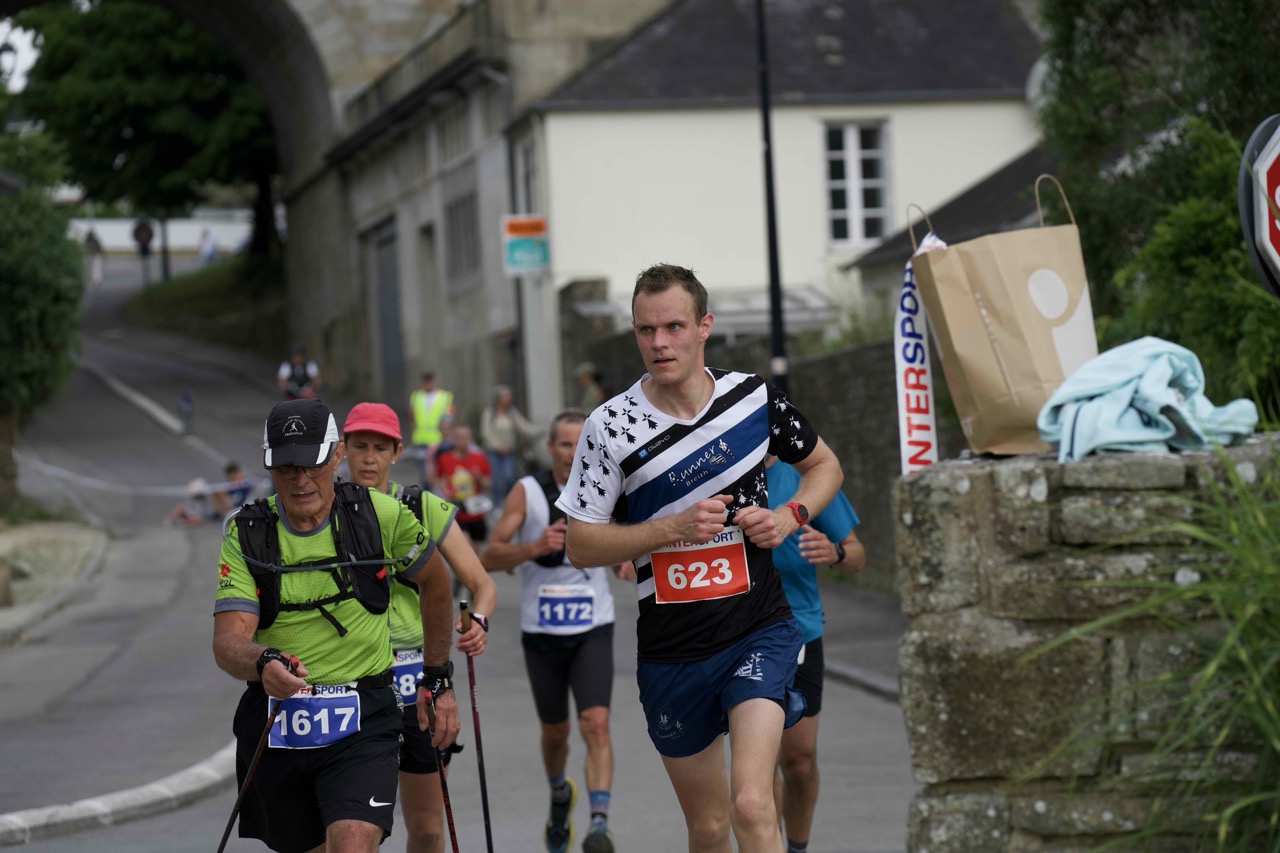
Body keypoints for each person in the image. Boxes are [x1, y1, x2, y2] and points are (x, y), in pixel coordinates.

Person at [556, 263, 844, 853]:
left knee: (752, 805)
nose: (659, 343)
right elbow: (580, 543)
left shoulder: (752, 398)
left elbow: (824, 466)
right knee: (709, 828)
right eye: (646, 330)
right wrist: (672, 528)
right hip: (674, 650)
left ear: (704, 326)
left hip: (758, 628)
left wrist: (788, 517)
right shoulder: (609, 426)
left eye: (674, 327)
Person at [212, 398, 461, 853]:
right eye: (286, 467)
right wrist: (263, 661)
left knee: (351, 844)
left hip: (364, 719)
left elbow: (436, 580)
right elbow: (229, 641)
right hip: (279, 723)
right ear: (268, 463)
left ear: (336, 454)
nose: (301, 480)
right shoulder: (245, 533)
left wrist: (438, 677)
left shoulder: (381, 515)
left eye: (312, 464)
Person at [342, 401, 497, 853]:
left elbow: (482, 584)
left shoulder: (420, 506)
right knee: (356, 831)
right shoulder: (328, 509)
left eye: (380, 448)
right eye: (359, 447)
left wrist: (479, 620)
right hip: (354, 681)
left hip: (419, 682)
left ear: (397, 453)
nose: (369, 458)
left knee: (428, 829)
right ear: (343, 450)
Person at [482, 410, 635, 853]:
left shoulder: (606, 487)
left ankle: (599, 824)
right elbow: (488, 556)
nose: (573, 452)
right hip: (542, 632)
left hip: (593, 628)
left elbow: (628, 545)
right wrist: (534, 546)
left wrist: (626, 559)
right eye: (565, 444)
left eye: (580, 443)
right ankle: (558, 793)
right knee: (555, 733)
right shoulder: (527, 492)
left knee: (595, 724)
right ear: (550, 447)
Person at [765, 456, 865, 853]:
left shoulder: (807, 475)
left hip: (800, 631)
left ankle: (797, 848)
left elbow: (857, 553)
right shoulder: (721, 471)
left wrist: (835, 552)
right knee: (760, 766)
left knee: (799, 762)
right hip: (740, 636)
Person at [480, 384, 540, 506]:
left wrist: (540, 430)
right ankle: (496, 504)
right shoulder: (490, 412)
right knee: (496, 479)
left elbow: (523, 426)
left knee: (508, 476)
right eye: (506, 396)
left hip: (508, 451)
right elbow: (486, 432)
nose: (509, 398)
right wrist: (498, 445)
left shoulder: (511, 412)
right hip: (493, 451)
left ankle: (505, 501)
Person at [435, 423, 492, 548]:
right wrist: (444, 491)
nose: (463, 441)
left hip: (476, 511)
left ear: (470, 439)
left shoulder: (479, 458)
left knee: (475, 551)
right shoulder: (444, 459)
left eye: (465, 438)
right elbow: (436, 478)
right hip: (457, 511)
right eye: (459, 438)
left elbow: (488, 484)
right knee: (466, 546)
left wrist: (479, 477)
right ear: (454, 439)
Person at [409, 372, 455, 468]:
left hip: (438, 438)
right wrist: (413, 436)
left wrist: (447, 436)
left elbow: (449, 418)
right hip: (420, 438)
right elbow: (412, 417)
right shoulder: (416, 396)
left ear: (434, 382)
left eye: (429, 382)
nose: (428, 385)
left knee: (438, 466)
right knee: (423, 468)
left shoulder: (445, 396)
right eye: (425, 382)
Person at [132, 218, 154, 286]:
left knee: (146, 259)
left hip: (145, 245)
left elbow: (150, 234)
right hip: (142, 244)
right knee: (143, 258)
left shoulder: (145, 230)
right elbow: (136, 235)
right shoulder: (140, 230)